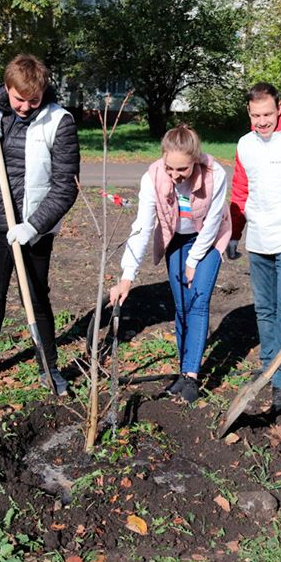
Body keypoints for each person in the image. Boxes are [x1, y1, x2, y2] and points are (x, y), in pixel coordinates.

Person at [0, 54, 79, 394]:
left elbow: (66, 188)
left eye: (33, 100)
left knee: (35, 297)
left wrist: (33, 226)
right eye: (19, 99)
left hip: (31, 231)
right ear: (8, 88)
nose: (25, 107)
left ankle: (49, 367)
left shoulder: (59, 122)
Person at [108, 124, 231, 403]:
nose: (175, 176)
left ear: (195, 160)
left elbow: (212, 224)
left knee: (197, 302)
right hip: (176, 239)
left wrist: (193, 259)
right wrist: (127, 275)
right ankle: (182, 369)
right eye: (170, 168)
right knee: (181, 307)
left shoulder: (215, 174)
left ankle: (191, 377)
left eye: (182, 170)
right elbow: (142, 225)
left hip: (208, 240)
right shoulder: (152, 177)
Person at [230, 82, 281, 416]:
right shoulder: (245, 144)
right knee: (264, 308)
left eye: (267, 114)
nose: (262, 121)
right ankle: (268, 365)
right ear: (248, 113)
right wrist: (235, 235)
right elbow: (240, 190)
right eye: (255, 115)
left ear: (280, 108)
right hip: (259, 240)